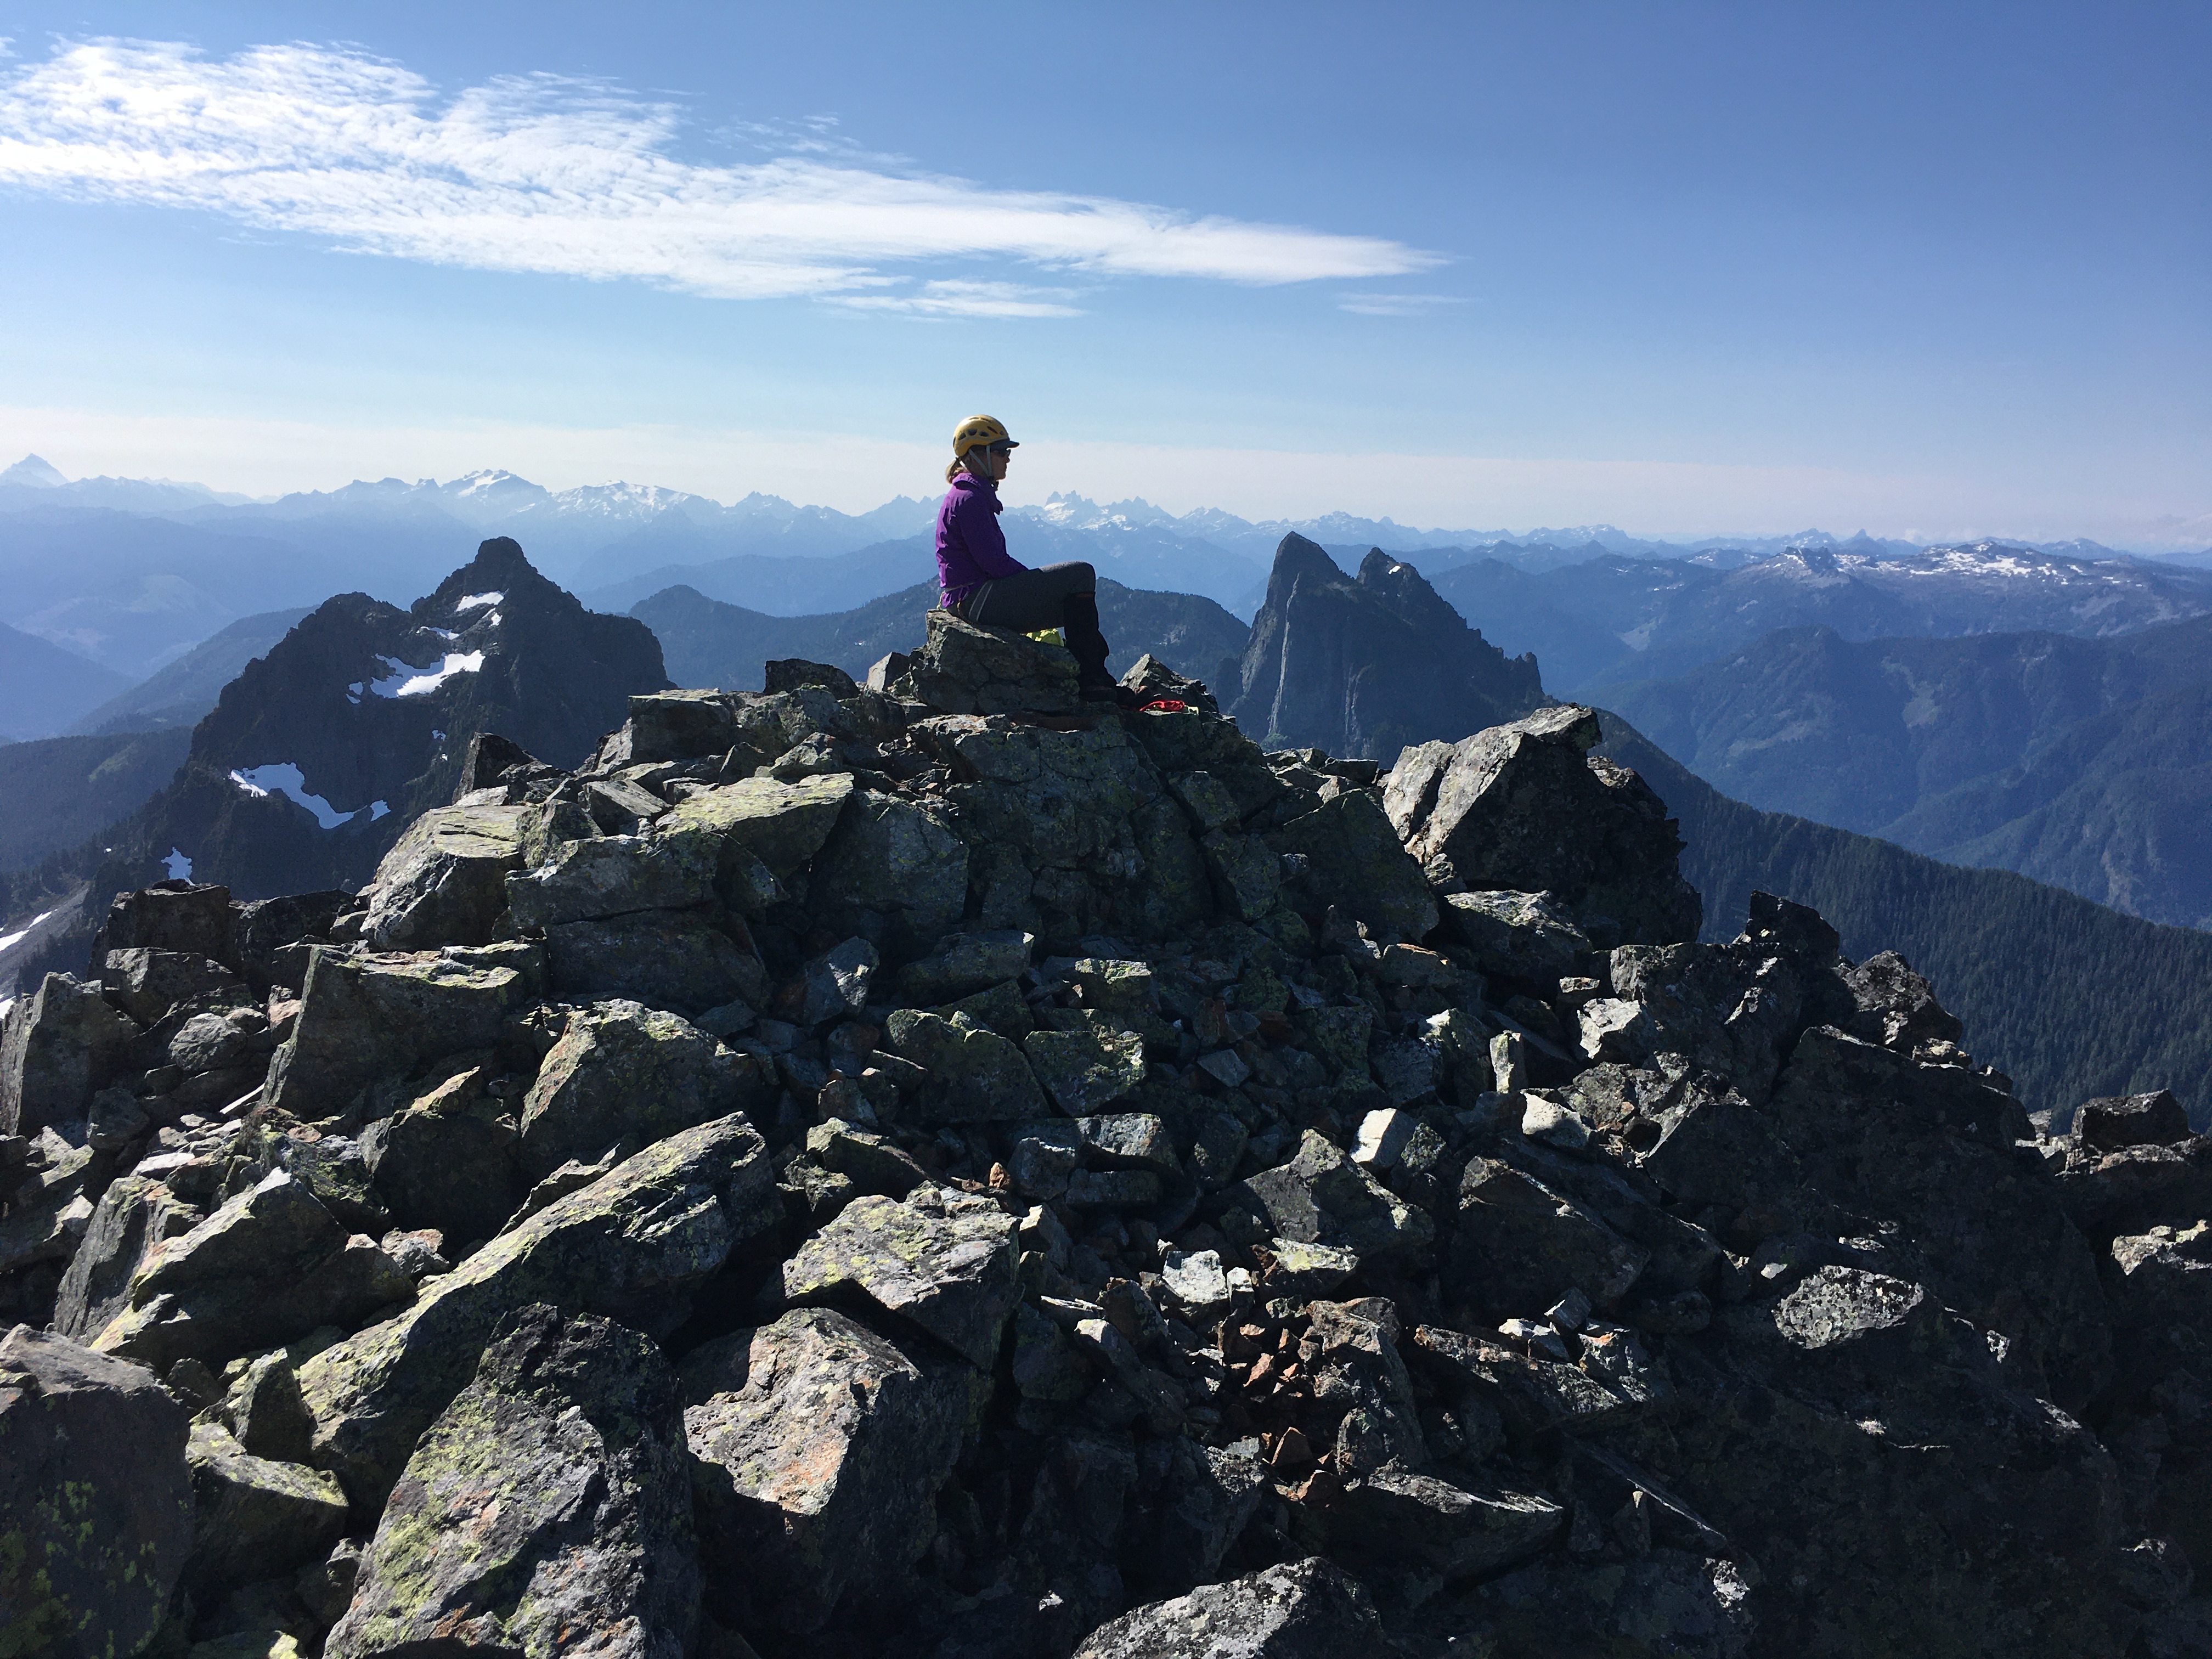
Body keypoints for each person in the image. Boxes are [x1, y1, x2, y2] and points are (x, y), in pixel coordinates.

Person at [934, 414, 1128, 704]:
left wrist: (1034, 585)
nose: (1007, 459)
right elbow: (994, 563)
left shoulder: (969, 495)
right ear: (978, 455)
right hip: (977, 599)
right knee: (1081, 575)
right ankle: (1092, 680)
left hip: (970, 598)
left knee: (1075, 603)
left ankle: (1094, 680)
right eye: (1001, 451)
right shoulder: (969, 500)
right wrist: (1033, 582)